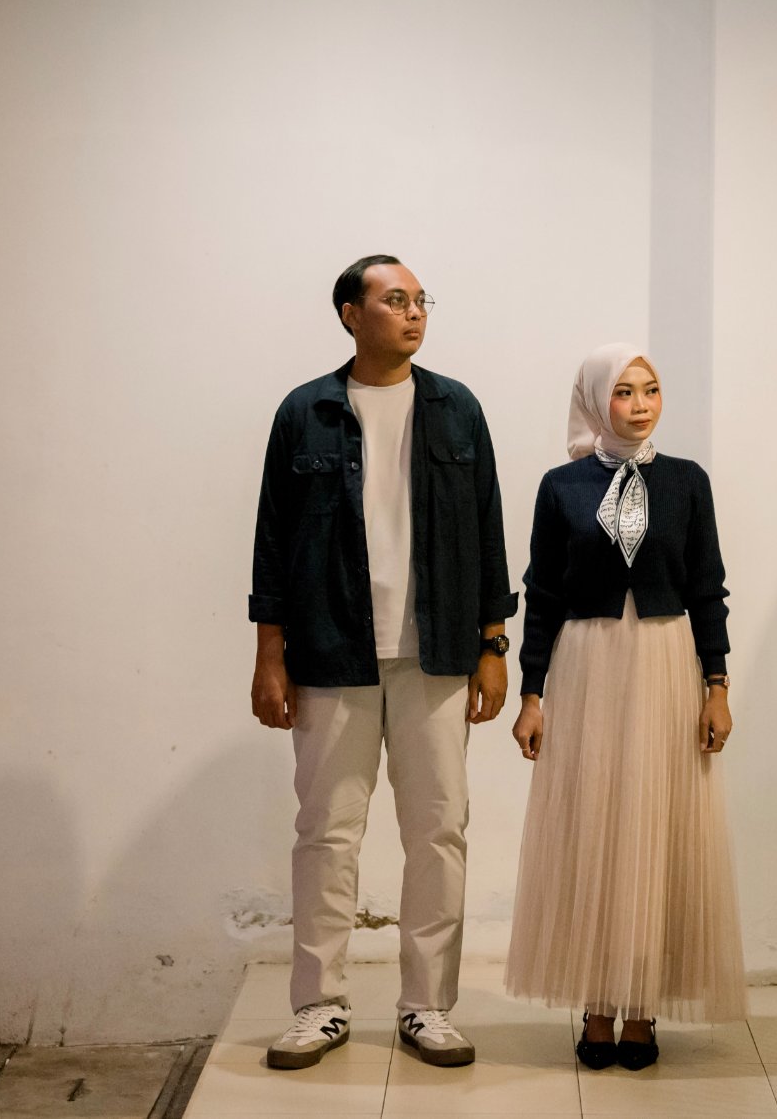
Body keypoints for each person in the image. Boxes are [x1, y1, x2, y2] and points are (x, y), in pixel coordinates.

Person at [249, 255, 517, 1070]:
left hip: (436, 653)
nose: (413, 312)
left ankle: (427, 1006)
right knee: (326, 834)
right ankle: (319, 1005)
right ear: (349, 314)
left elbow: (489, 528)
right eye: (395, 299)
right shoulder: (306, 412)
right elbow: (271, 539)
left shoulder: (456, 408)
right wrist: (269, 654)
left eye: (420, 300)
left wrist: (493, 644)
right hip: (331, 651)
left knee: (439, 831)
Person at [504, 343, 747, 1070]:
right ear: (594, 400)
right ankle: (597, 1004)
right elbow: (542, 593)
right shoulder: (562, 486)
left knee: (656, 825)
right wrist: (532, 693)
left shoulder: (687, 482)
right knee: (595, 827)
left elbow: (708, 587)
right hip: (588, 668)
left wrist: (717, 686)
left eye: (651, 390)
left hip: (666, 664)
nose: (640, 405)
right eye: (623, 392)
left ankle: (642, 1007)